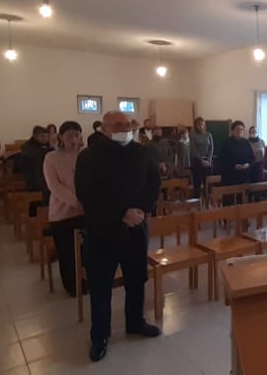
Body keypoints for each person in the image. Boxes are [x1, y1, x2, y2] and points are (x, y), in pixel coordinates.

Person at [75, 111, 161, 362]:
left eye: (128, 124)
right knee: (101, 285)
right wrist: (121, 213)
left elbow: (153, 183)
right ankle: (100, 336)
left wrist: (141, 210)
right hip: (103, 229)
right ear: (104, 129)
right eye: (118, 125)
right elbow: (86, 193)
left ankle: (135, 322)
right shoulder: (88, 156)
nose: (125, 129)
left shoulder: (143, 152)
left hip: (136, 227)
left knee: (136, 279)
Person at [42, 121, 85, 296]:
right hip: (62, 213)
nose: (73, 139)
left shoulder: (84, 155)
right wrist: (78, 203)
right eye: (69, 136)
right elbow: (55, 186)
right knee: (67, 253)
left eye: (77, 135)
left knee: (85, 251)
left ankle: (84, 280)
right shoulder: (51, 157)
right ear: (61, 137)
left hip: (85, 211)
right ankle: (72, 286)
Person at [218, 120, 255, 204]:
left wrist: (248, 164)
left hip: (243, 177)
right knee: (228, 201)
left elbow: (252, 157)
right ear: (232, 130)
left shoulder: (246, 142)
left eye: (242, 129)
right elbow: (221, 159)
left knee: (241, 201)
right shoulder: (226, 143)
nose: (240, 131)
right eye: (238, 129)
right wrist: (233, 166)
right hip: (229, 177)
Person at [188, 117, 214, 198]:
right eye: (199, 124)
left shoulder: (208, 134)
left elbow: (211, 148)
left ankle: (208, 200)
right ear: (195, 125)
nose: (201, 126)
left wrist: (209, 159)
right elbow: (193, 149)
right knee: (197, 183)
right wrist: (201, 160)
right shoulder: (192, 135)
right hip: (196, 161)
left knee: (208, 183)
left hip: (207, 161)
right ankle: (197, 200)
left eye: (202, 124)